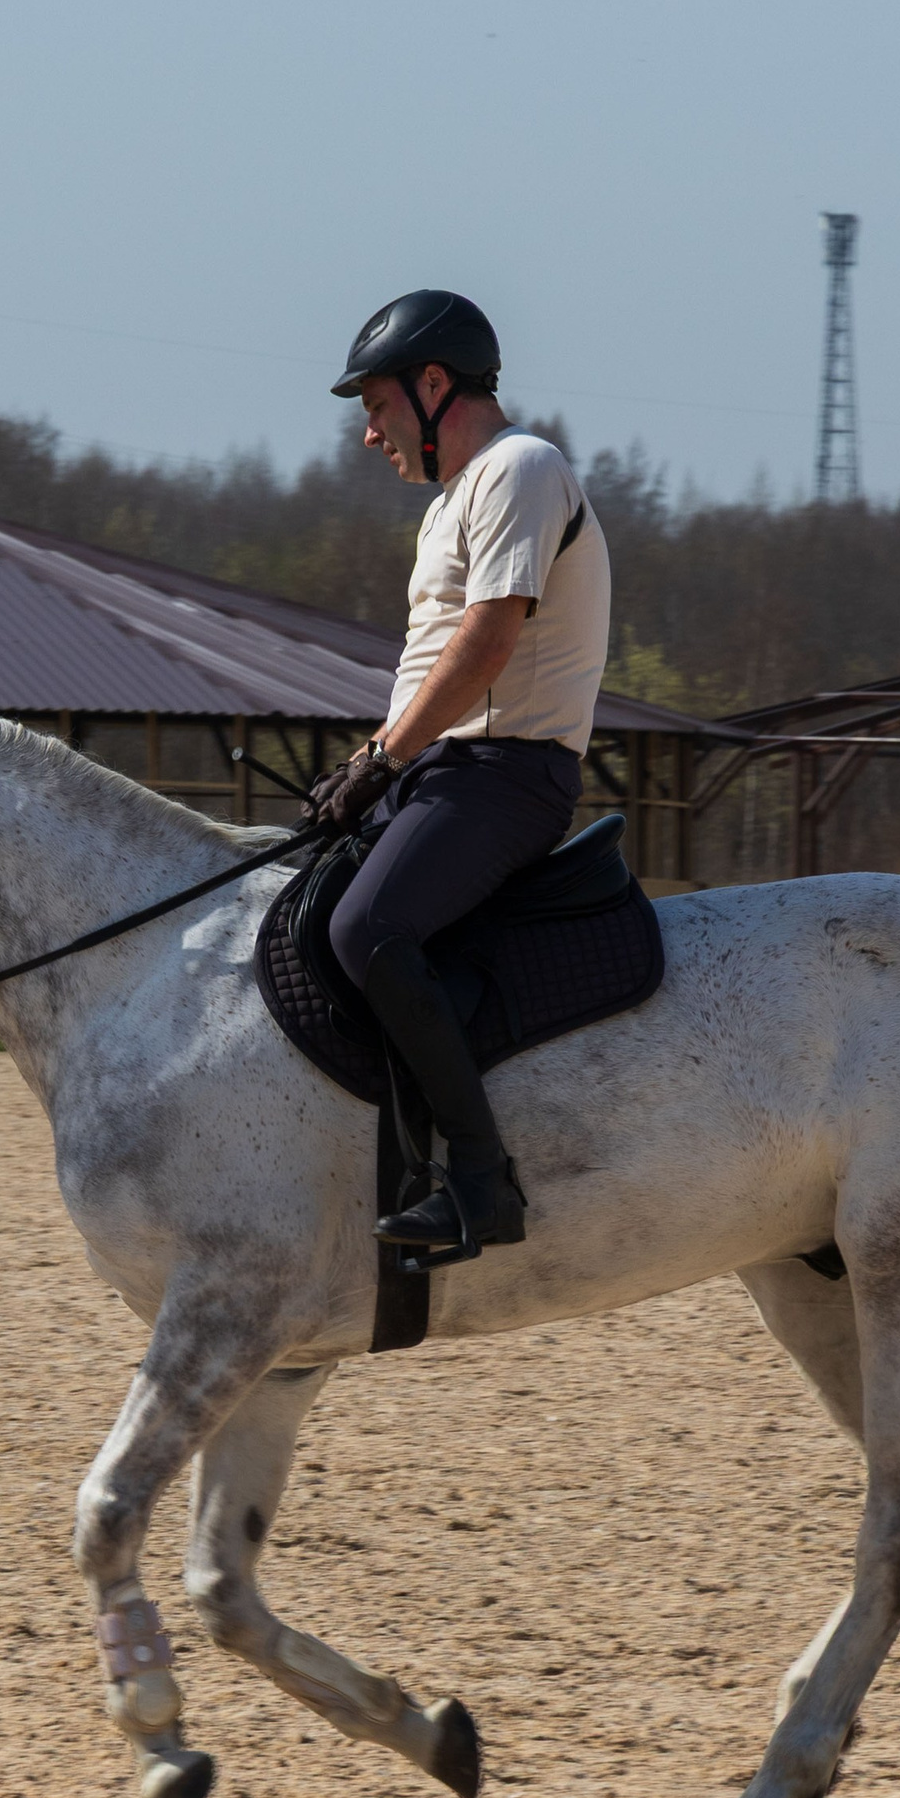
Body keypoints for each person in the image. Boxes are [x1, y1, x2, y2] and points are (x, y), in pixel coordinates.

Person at [308, 289, 613, 1260]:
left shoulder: (520, 468)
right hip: (442, 770)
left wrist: (379, 756)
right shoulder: (457, 499)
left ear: (435, 384)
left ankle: (480, 1181)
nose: (369, 434)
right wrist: (381, 765)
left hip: (502, 772)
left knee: (370, 926)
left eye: (379, 406)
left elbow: (486, 644)